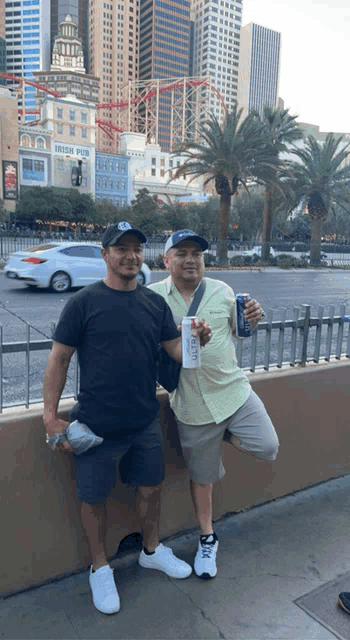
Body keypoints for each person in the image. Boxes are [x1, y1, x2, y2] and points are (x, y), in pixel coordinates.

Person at [43, 221, 212, 615]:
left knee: (152, 489)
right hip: (96, 427)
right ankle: (99, 566)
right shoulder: (83, 302)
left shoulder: (154, 304)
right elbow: (59, 360)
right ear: (105, 255)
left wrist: (197, 339)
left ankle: (151, 550)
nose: (131, 255)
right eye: (121, 249)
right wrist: (51, 419)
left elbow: (177, 353)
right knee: (93, 500)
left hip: (144, 423)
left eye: (137, 248)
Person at [149, 229, 280, 580]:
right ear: (166, 261)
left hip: (233, 392)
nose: (191, 260)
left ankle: (218, 435)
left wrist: (253, 316)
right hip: (190, 405)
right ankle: (208, 538)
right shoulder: (152, 298)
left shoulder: (223, 291)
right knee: (203, 478)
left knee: (268, 446)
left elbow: (240, 330)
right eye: (181, 254)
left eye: (197, 254)